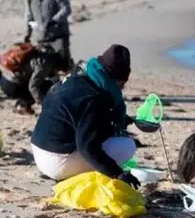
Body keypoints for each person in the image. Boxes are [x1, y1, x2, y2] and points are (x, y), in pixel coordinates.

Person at [30, 44, 140, 188]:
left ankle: (70, 172)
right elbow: (87, 147)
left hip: (39, 150)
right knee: (127, 146)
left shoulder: (76, 77)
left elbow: (72, 115)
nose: (121, 88)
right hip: (57, 161)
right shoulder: (94, 98)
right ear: (116, 80)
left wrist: (124, 120)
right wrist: (117, 173)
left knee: (104, 138)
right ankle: (72, 176)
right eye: (122, 84)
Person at [24, 0, 73, 72]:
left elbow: (66, 9)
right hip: (41, 37)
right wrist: (27, 35)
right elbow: (28, 17)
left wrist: (54, 20)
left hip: (58, 35)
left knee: (63, 61)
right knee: (45, 65)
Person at [0, 43, 59, 115]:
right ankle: (23, 105)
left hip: (4, 80)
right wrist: (45, 105)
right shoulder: (45, 65)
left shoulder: (42, 53)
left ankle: (21, 105)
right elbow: (33, 87)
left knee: (36, 82)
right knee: (47, 87)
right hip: (13, 86)